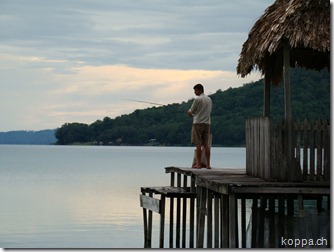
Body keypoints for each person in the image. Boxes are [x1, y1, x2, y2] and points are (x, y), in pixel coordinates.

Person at [187, 83, 212, 169]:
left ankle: (198, 164)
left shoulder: (197, 99)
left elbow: (192, 112)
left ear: (200, 90)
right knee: (206, 145)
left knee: (198, 144)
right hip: (207, 124)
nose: (195, 92)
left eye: (196, 90)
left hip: (198, 123)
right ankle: (208, 164)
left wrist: (189, 113)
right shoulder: (209, 99)